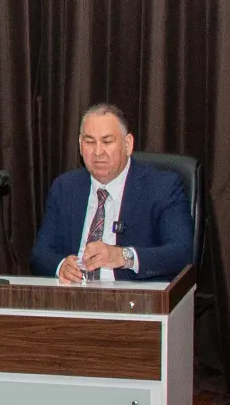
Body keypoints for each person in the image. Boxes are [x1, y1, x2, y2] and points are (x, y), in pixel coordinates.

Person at [31, 103, 194, 282]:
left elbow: (181, 252)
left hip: (134, 295)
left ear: (128, 144)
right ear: (80, 145)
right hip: (75, 293)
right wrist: (61, 266)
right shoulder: (65, 187)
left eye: (107, 142)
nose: (98, 152)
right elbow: (40, 254)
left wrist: (123, 256)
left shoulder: (162, 187)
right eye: (89, 142)